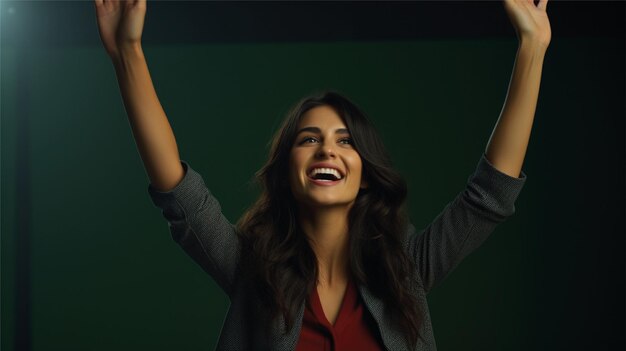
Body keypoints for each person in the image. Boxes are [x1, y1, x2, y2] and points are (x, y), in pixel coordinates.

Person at [94, 0, 550, 350]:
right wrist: (127, 53)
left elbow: (489, 194)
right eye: (308, 139)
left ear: (366, 174)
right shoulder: (252, 271)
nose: (328, 148)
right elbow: (179, 194)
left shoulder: (406, 269)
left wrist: (533, 47)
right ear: (286, 171)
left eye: (346, 140)